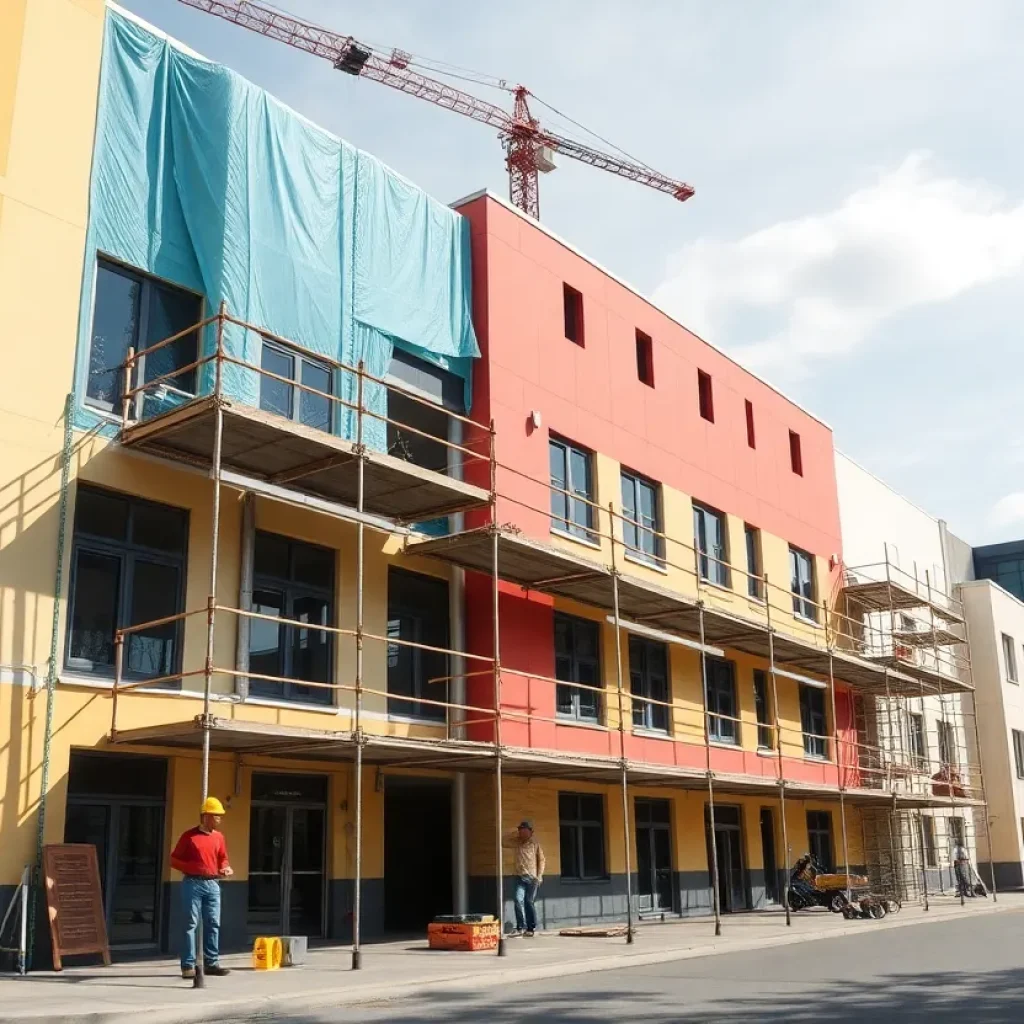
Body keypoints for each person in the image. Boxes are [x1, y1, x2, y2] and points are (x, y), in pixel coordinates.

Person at [171, 796, 234, 979]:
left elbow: (223, 857)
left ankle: (211, 963)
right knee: (190, 924)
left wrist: (225, 867)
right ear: (206, 816)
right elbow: (174, 860)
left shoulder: (219, 837)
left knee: (213, 922)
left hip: (213, 883)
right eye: (217, 816)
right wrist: (193, 868)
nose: (220, 819)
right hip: (192, 883)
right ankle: (188, 965)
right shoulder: (189, 837)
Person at [503, 820, 545, 937]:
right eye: (521, 831)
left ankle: (531, 927)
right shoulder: (516, 842)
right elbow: (503, 841)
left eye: (525, 831)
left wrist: (539, 876)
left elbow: (541, 860)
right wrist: (514, 831)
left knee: (528, 901)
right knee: (517, 899)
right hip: (519, 876)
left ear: (531, 832)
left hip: (532, 878)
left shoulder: (535, 844)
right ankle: (520, 927)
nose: (523, 833)